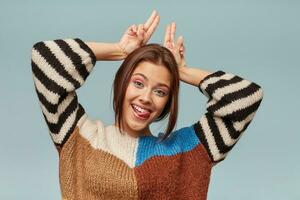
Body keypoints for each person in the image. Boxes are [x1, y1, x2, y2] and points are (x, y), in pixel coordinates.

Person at [31, 10, 263, 200]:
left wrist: (181, 71)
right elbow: (45, 58)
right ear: (123, 83)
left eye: (160, 91)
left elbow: (246, 97)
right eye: (138, 83)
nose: (146, 97)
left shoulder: (187, 150)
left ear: (167, 102)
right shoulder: (79, 135)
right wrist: (119, 50)